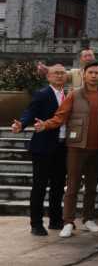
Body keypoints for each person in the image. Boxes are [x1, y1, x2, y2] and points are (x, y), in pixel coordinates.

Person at [35, 61, 98, 238]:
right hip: (76, 147)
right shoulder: (74, 95)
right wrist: (46, 125)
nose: (94, 76)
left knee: (91, 186)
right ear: (84, 74)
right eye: (91, 72)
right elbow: (60, 116)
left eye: (97, 73)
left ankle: (88, 218)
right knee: (72, 186)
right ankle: (68, 221)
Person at [11, 64, 69, 235]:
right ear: (48, 77)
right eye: (56, 73)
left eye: (62, 73)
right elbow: (30, 112)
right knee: (40, 186)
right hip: (43, 146)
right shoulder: (42, 94)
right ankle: (36, 224)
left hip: (62, 146)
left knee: (58, 185)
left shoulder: (69, 95)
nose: (59, 76)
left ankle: (56, 220)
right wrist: (21, 124)